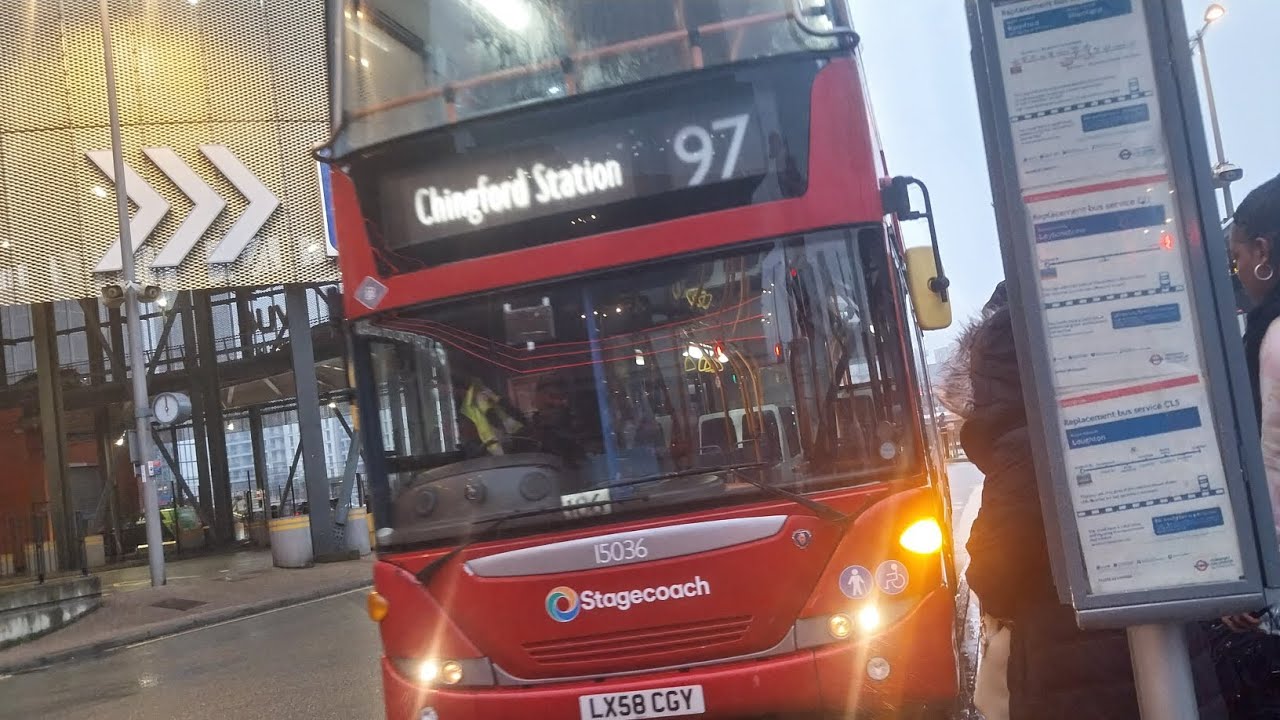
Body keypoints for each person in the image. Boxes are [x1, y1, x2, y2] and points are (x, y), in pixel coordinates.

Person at [939, 281, 1227, 719]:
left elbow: (995, 572)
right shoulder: (1138, 414)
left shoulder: (1023, 446)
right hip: (1172, 656)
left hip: (1072, 674)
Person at [1217, 173, 1280, 718]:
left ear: (1263, 252)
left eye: (1237, 256)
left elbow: (1271, 468)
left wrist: (1257, 585)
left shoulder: (1273, 340)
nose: (1237, 270)